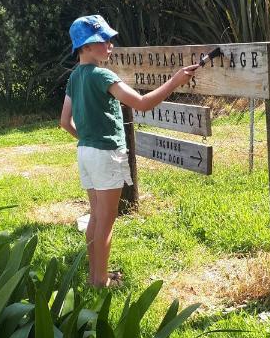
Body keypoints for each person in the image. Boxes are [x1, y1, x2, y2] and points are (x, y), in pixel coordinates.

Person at [60, 15, 199, 288]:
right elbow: (142, 103)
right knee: (106, 222)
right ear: (85, 47)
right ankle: (100, 280)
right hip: (106, 154)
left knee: (96, 216)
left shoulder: (74, 77)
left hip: (86, 152)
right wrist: (175, 81)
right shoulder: (102, 75)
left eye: (111, 40)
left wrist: (87, 138)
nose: (110, 45)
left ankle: (95, 275)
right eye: (103, 41)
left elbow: (65, 122)